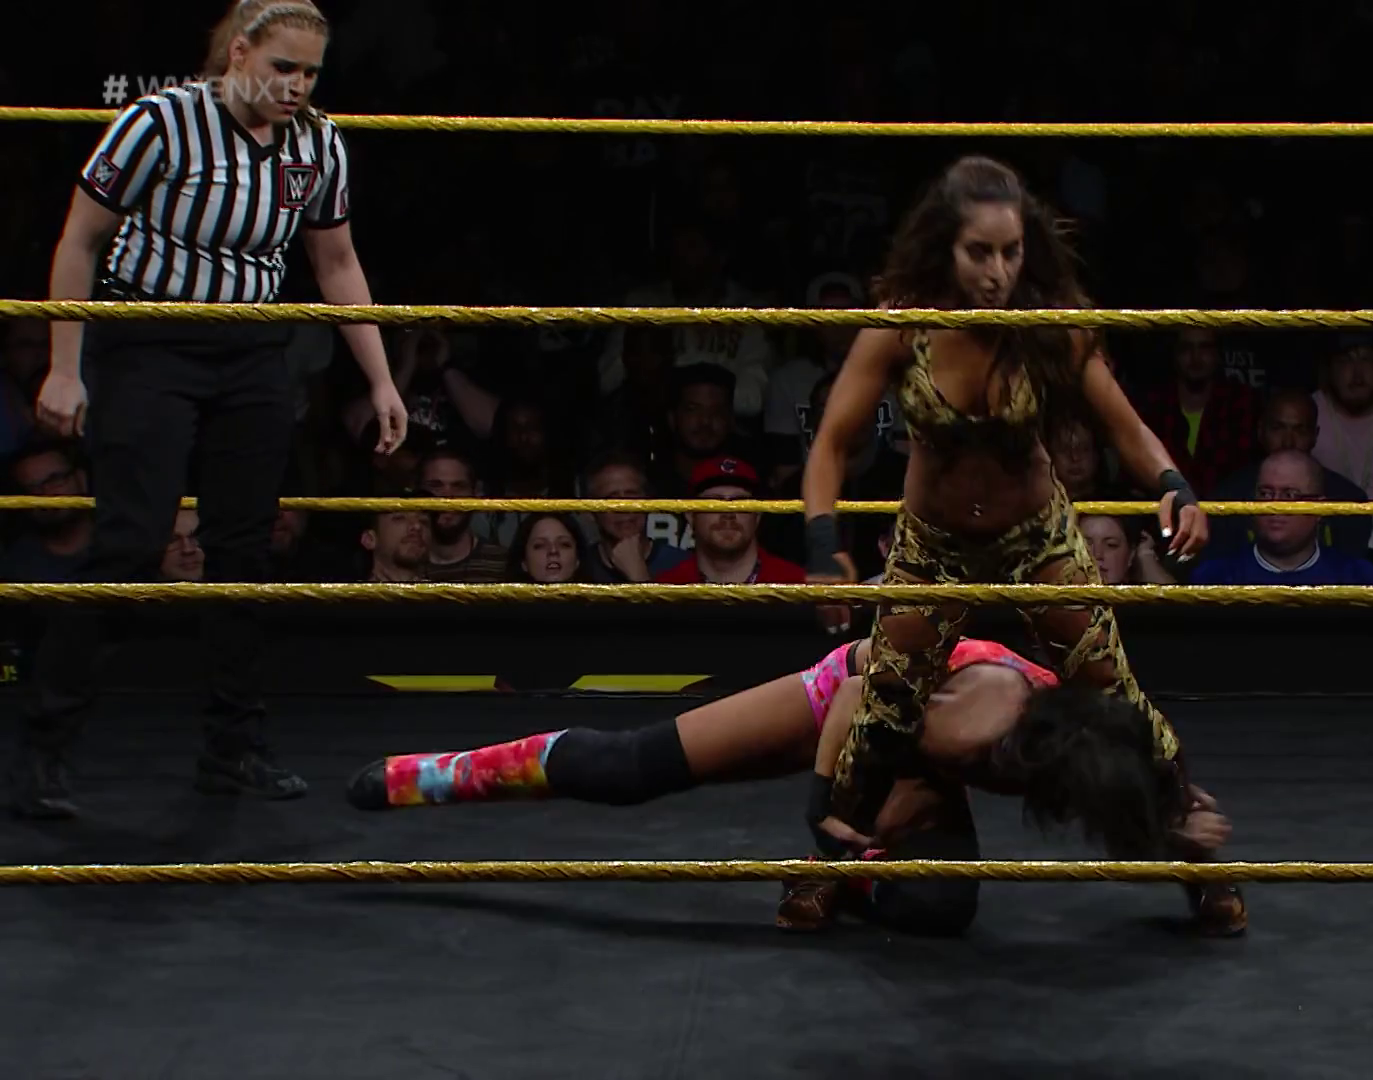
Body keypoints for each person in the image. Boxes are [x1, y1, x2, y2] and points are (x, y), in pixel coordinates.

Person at [800, 156, 1240, 932]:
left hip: (1036, 537)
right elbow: (832, 442)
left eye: (1010, 252)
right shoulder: (902, 324)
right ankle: (830, 866)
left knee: (1114, 696)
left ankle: (1197, 863)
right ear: (945, 246)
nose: (997, 271)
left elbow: (1125, 426)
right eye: (980, 252)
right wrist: (822, 543)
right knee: (889, 704)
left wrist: (1174, 483)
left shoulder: (1050, 324)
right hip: (934, 543)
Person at [8, 0, 407, 819]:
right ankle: (45, 744)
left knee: (243, 550)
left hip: (251, 349)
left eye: (310, 73)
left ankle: (234, 747)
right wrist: (64, 366)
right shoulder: (159, 122)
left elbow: (336, 262)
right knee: (130, 541)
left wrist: (381, 379)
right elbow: (79, 240)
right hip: (147, 341)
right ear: (238, 54)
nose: (296, 86)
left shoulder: (316, 143)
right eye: (283, 67)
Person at [344, 637, 1234, 937]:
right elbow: (855, 703)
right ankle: (426, 776)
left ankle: (846, 878)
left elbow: (1161, 809)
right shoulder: (978, 721)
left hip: (915, 757)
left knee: (942, 912)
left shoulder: (1120, 740)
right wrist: (825, 816)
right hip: (848, 701)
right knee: (630, 771)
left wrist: (1200, 874)